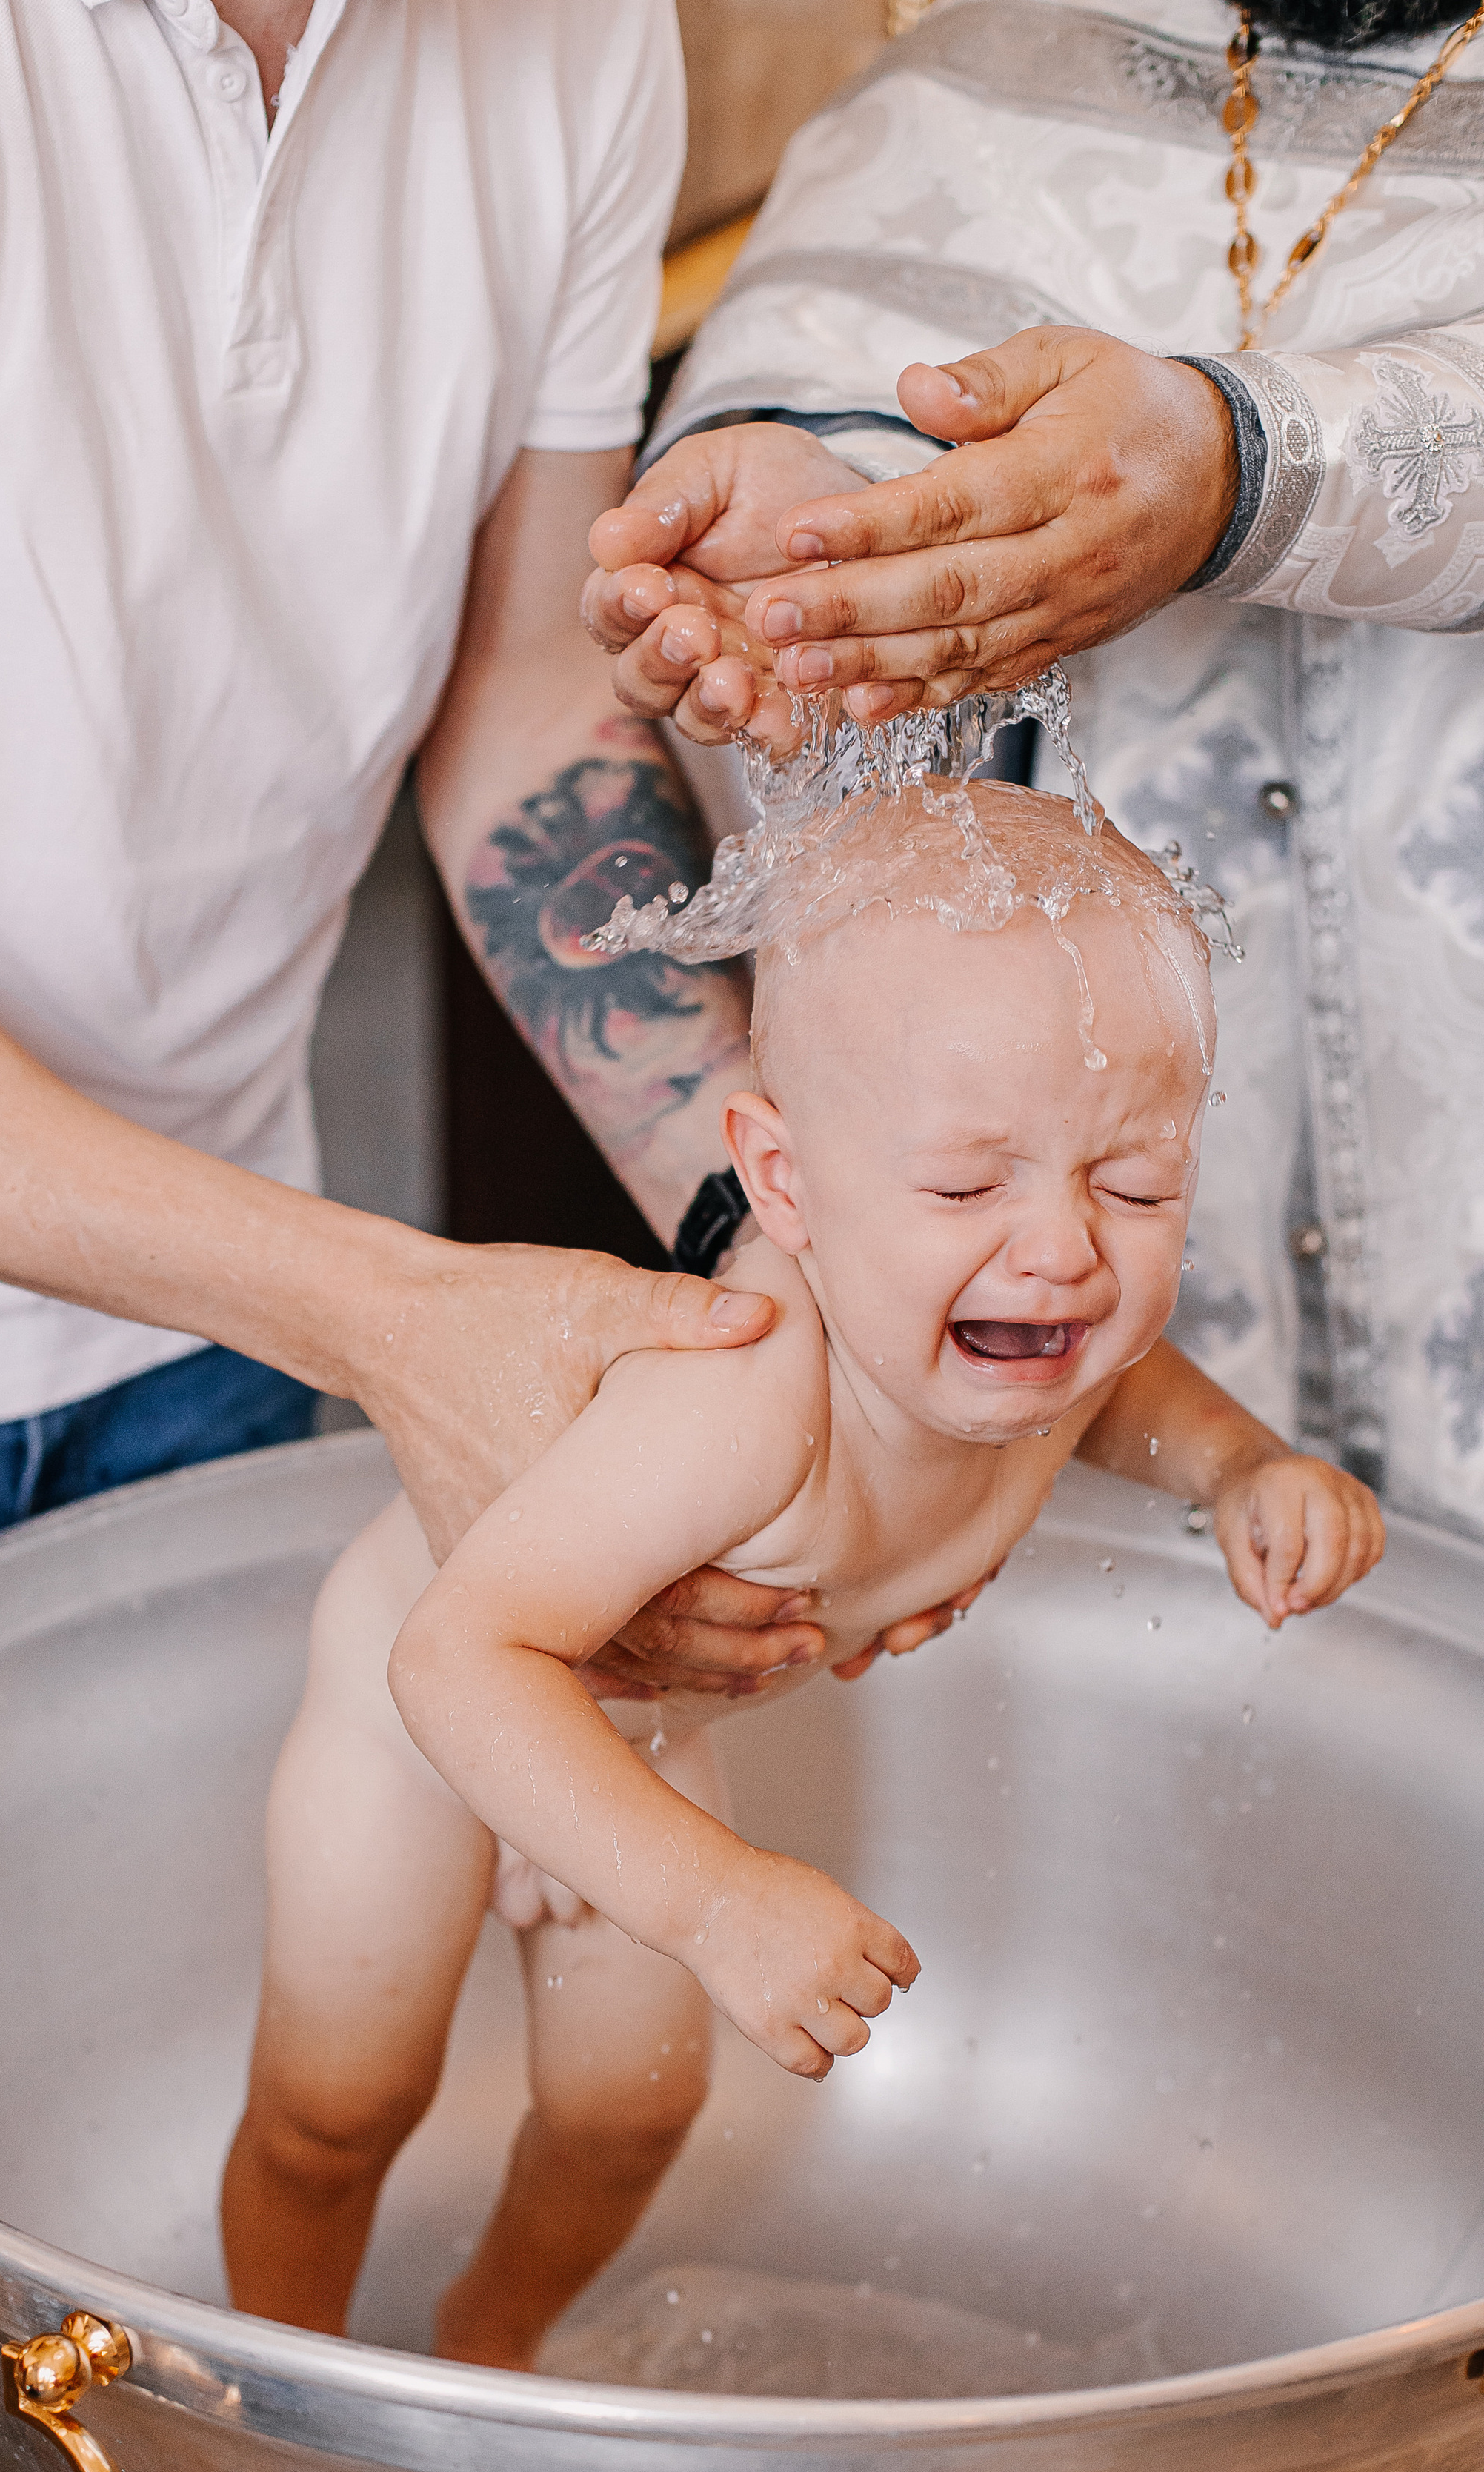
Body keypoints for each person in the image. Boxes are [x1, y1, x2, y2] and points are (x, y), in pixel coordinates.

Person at [0, 5, 946, 2472]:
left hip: (234, 1287)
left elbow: (527, 732)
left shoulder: (570, 43)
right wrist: (389, 1315)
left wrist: (785, 1249)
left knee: (192, 2134)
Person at [220, 781, 1384, 2372]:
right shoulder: (746, 1390)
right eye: (968, 1187)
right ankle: (259, 2394)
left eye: (1133, 1184)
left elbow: (1129, 1391)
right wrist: (709, 1894)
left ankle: (485, 2349)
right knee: (338, 2104)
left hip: (624, 1730)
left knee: (629, 2114)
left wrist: (1243, 1466)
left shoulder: (1038, 1335)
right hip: (435, 1704)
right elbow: (458, 1658)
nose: (1061, 1252)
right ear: (782, 1186)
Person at [582, 0, 1484, 1543]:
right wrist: (818, 534)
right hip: (1107, 1355)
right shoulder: (993, 60)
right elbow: (841, 388)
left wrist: (1236, 470)